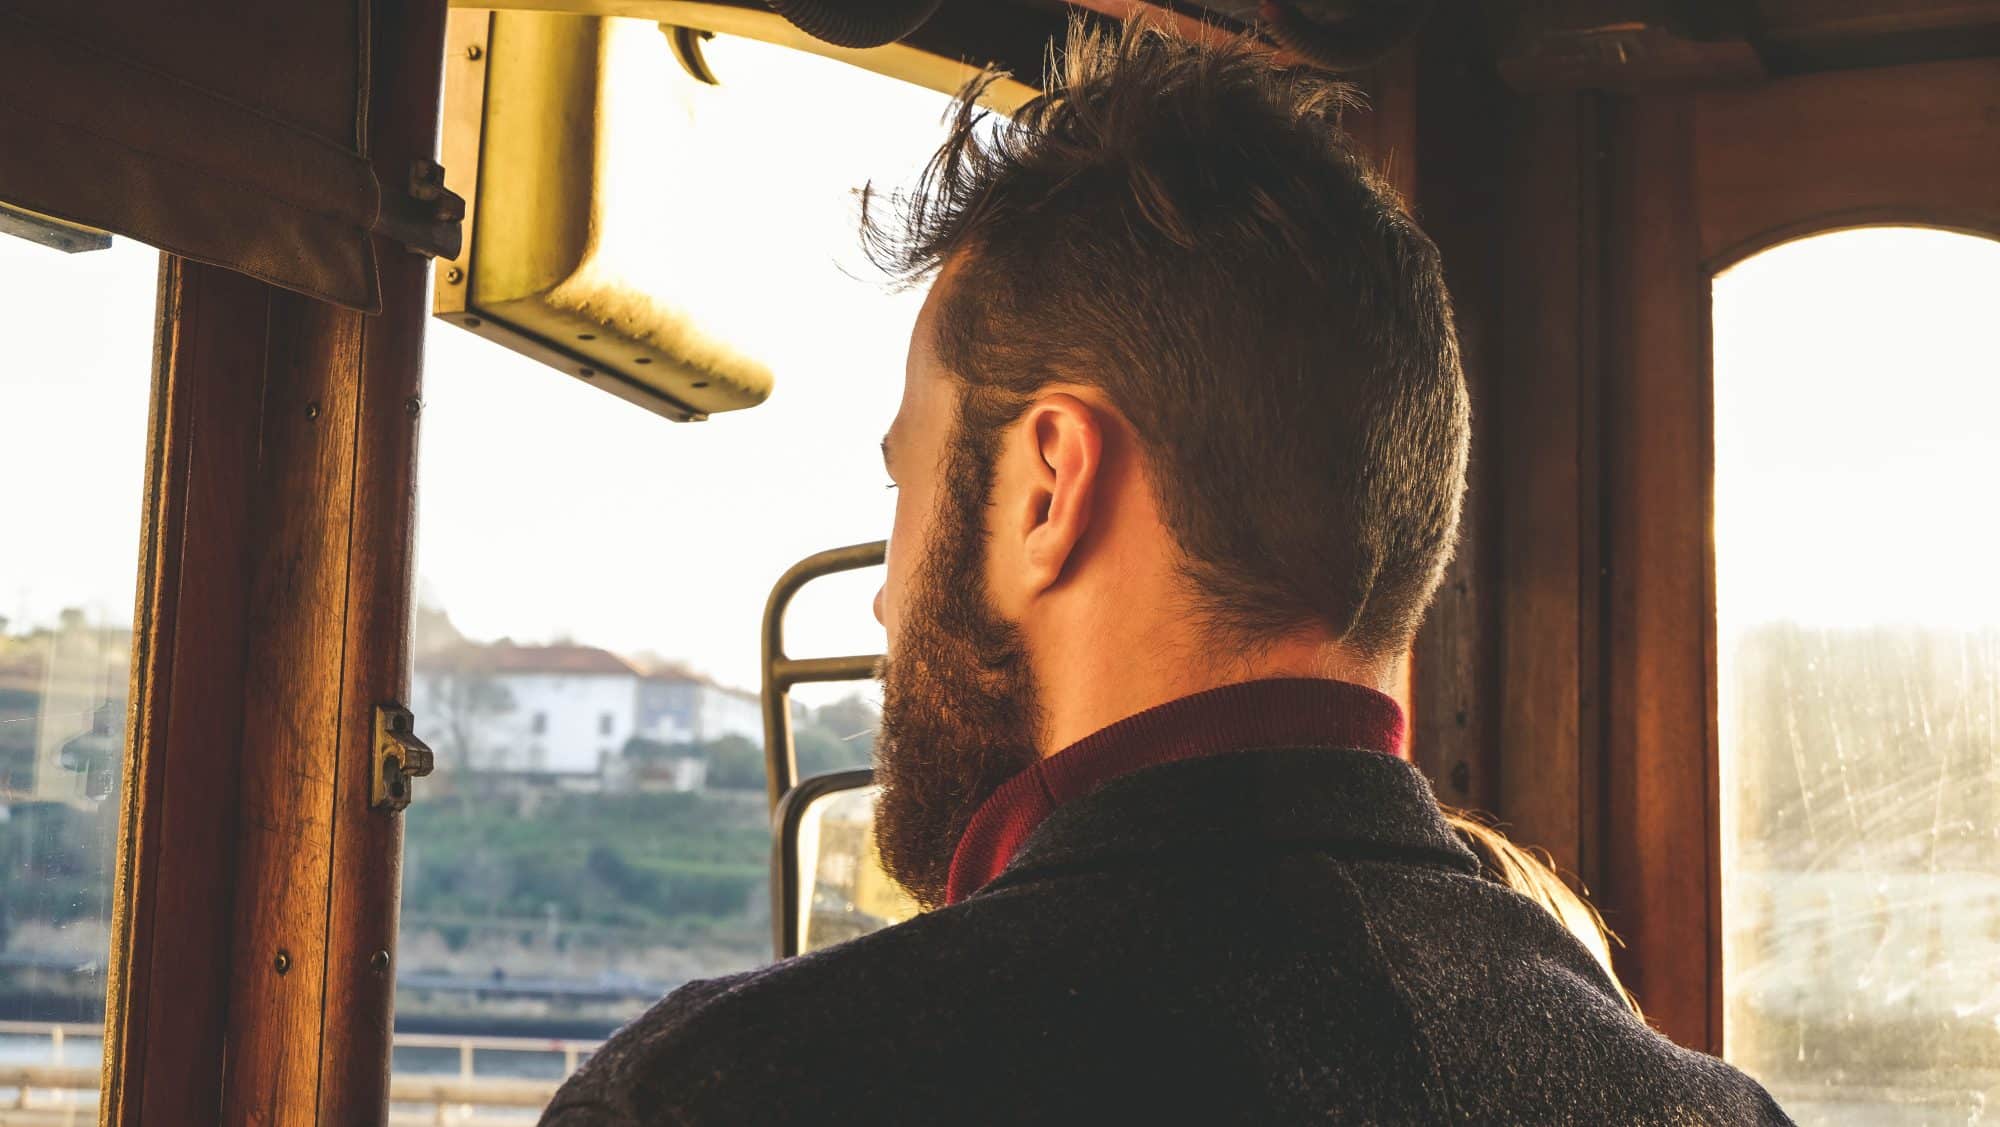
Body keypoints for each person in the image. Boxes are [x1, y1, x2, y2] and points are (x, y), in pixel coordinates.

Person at [542, 16, 1791, 1125]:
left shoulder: (736, 1090)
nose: (880, 593)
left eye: (904, 484)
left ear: (1048, 486)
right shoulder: (1701, 1107)